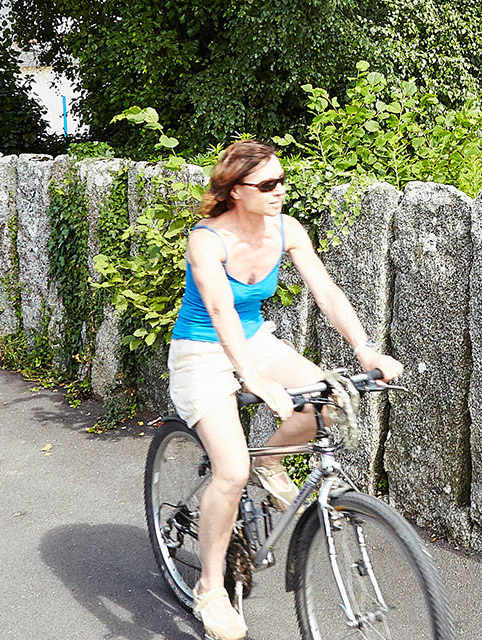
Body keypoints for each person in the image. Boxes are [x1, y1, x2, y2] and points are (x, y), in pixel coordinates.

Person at [165, 140, 404, 640]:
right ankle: (211, 588)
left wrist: (364, 348)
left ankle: (269, 461)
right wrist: (252, 378)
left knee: (332, 399)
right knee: (229, 472)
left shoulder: (285, 229)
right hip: (202, 352)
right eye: (267, 185)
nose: (280, 192)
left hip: (256, 341)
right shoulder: (207, 240)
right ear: (234, 191)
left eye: (282, 180)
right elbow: (219, 309)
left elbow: (326, 290)